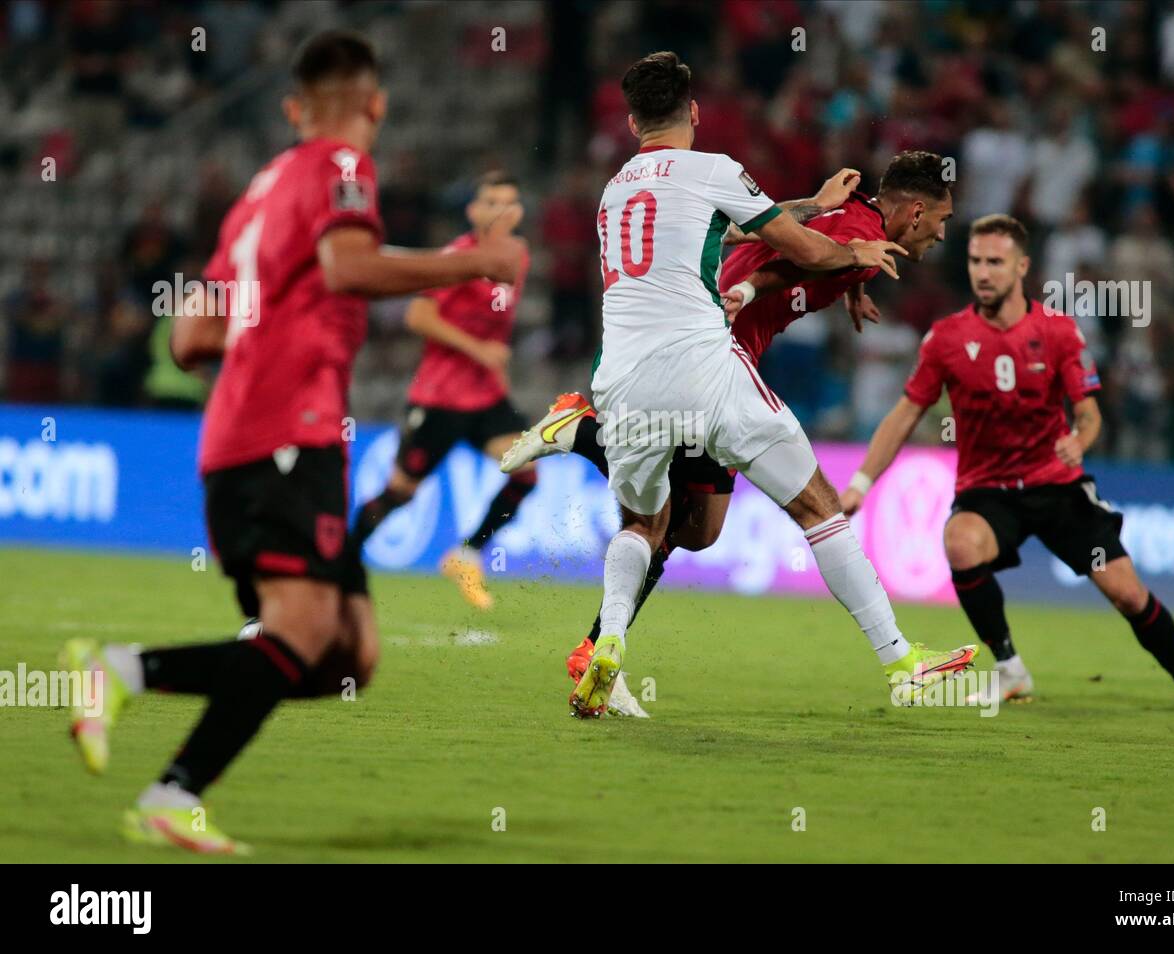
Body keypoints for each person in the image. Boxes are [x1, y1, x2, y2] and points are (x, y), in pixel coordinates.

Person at [60, 30, 524, 854]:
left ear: (291, 108)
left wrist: (266, 330)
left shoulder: (258, 192)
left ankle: (164, 767)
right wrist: (468, 266)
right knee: (304, 632)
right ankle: (135, 704)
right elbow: (348, 269)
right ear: (374, 104)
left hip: (247, 434)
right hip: (286, 432)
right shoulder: (341, 169)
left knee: (349, 657)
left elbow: (189, 341)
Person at [558, 51, 975, 719]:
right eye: (945, 223)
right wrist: (847, 262)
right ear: (695, 112)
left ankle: (604, 644)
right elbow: (799, 252)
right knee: (816, 508)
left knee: (673, 529)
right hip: (708, 363)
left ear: (633, 120)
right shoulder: (719, 171)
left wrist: (831, 243)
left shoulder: (614, 189)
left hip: (629, 372)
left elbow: (718, 230)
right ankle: (902, 660)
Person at [840, 214, 1174, 713]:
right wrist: (861, 482)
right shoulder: (946, 339)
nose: (983, 272)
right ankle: (1010, 668)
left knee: (1126, 594)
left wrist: (1080, 440)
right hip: (988, 492)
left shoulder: (1057, 332)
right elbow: (905, 413)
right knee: (960, 543)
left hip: (1057, 488)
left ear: (1021, 266)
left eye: (995, 262)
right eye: (974, 261)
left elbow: (1089, 413)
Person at [349, 170, 533, 610]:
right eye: (491, 202)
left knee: (526, 474)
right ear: (473, 211)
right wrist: (479, 350)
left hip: (486, 394)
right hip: (440, 397)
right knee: (401, 492)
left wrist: (496, 367)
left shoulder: (517, 257)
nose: (500, 210)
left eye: (509, 202)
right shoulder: (457, 257)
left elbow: (497, 330)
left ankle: (467, 555)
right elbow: (418, 317)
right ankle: (343, 563)